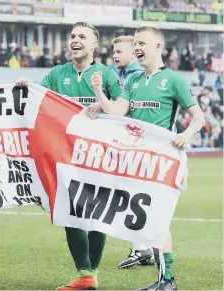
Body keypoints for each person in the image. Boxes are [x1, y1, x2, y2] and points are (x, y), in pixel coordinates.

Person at [86, 26, 205, 291]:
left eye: (142, 43)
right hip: (137, 161)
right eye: (135, 43)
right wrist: (98, 92)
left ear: (158, 47)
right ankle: (162, 276)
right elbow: (117, 113)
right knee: (149, 220)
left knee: (159, 219)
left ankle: (167, 280)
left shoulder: (174, 80)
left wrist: (185, 134)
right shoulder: (133, 82)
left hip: (163, 160)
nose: (137, 48)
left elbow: (199, 118)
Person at [16, 22, 121, 290]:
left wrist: (103, 104)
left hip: (99, 155)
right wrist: (25, 86)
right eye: (73, 36)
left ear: (95, 44)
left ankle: (91, 273)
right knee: (70, 211)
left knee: (98, 214)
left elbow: (122, 111)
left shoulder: (106, 75)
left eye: (82, 36)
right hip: (66, 156)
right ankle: (85, 273)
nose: (75, 40)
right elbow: (37, 97)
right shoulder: (56, 74)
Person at [111, 36, 156, 269]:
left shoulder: (137, 76)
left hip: (143, 146)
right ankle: (144, 248)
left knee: (137, 198)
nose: (115, 55)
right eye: (113, 51)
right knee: (132, 197)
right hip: (131, 144)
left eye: (119, 51)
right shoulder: (121, 73)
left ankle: (144, 249)